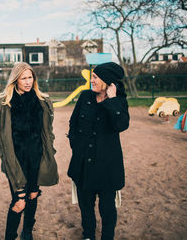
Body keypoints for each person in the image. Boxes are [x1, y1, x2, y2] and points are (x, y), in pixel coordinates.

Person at [0, 62, 59, 240]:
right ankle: (10, 236)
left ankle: (27, 232)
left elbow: (47, 130)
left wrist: (49, 146)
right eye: (24, 78)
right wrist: (0, 151)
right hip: (16, 159)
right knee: (19, 201)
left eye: (30, 78)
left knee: (33, 195)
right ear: (16, 80)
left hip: (36, 156)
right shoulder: (5, 103)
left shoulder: (41, 101)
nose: (28, 82)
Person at [67, 62, 129, 240]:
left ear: (108, 81)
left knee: (107, 209)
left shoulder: (119, 102)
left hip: (107, 166)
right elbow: (73, 123)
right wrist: (76, 146)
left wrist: (112, 100)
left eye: (95, 77)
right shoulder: (85, 96)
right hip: (83, 163)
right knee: (86, 207)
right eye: (92, 76)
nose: (91, 80)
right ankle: (88, 236)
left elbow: (122, 125)